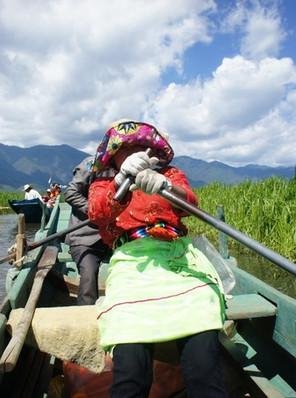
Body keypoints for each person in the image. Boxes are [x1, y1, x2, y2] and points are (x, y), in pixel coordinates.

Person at [88, 120, 229, 397]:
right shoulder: (104, 181)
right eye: (124, 148)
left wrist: (166, 186)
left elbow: (191, 204)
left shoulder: (171, 173)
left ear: (154, 149)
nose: (136, 152)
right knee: (131, 374)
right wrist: (121, 181)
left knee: (204, 369)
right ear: (113, 155)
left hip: (179, 260)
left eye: (142, 145)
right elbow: (96, 213)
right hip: (132, 263)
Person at [64, 156, 112, 305]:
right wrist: (93, 210)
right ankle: (85, 313)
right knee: (89, 274)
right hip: (86, 236)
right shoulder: (92, 164)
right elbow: (70, 193)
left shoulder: (130, 165)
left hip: (115, 235)